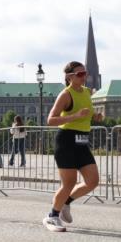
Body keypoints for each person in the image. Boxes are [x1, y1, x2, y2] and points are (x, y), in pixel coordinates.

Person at [43, 61, 102, 232]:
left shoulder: (87, 92)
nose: (85, 77)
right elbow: (50, 120)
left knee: (92, 181)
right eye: (80, 74)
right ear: (70, 77)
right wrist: (75, 116)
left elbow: (87, 115)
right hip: (66, 141)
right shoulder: (65, 95)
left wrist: (95, 117)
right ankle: (52, 216)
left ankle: (66, 203)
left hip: (82, 141)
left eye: (86, 73)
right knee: (69, 183)